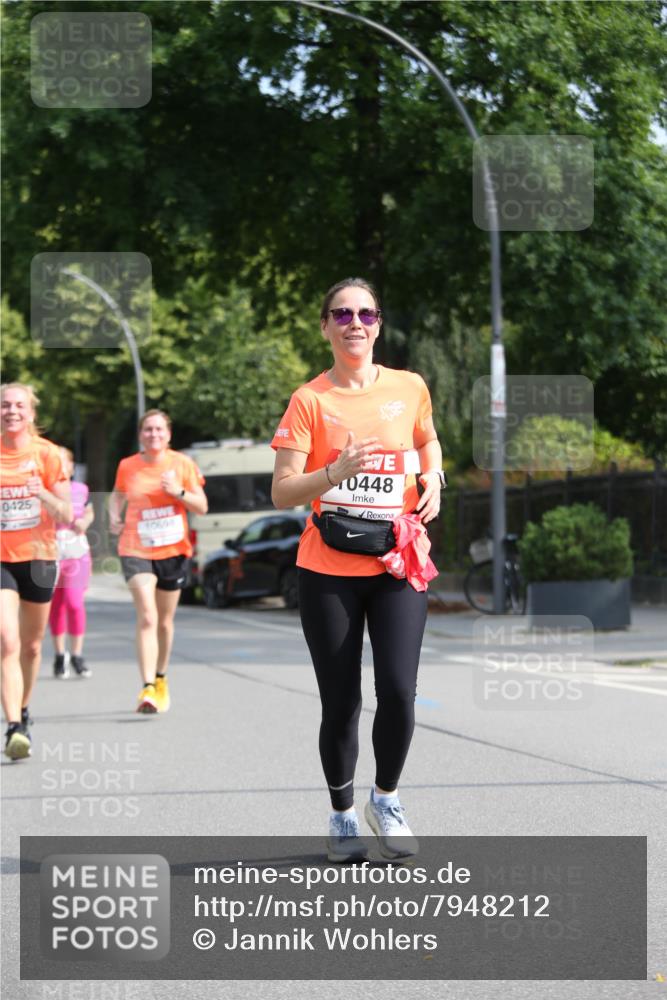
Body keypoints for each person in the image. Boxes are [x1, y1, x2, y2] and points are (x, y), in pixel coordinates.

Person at [272, 278, 444, 862]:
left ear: (378, 324)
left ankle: (386, 799)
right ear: (324, 326)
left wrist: (436, 478)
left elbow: (428, 442)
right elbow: (282, 491)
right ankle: (343, 815)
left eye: (366, 313)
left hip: (397, 559)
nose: (355, 322)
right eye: (341, 313)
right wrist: (335, 472)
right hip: (328, 568)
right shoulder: (309, 400)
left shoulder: (409, 386)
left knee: (398, 691)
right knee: (340, 701)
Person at [109, 409, 207, 714]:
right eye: (148, 430)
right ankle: (147, 686)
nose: (153, 434)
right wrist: (113, 515)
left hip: (173, 551)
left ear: (168, 434)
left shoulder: (182, 464)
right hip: (136, 549)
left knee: (164, 621)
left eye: (159, 429)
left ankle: (161, 676)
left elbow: (201, 506)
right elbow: (117, 495)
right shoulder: (128, 466)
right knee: (148, 616)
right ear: (141, 435)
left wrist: (177, 491)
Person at [1, 383, 71, 759]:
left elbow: (67, 514)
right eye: (4, 405)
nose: (11, 411)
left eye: (18, 405)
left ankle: (24, 709)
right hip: (1, 561)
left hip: (40, 559)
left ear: (31, 412)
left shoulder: (48, 454)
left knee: (30, 646)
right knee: (7, 639)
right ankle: (13, 725)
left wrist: (40, 492)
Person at [49, 448, 94, 679]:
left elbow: (90, 511)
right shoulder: (44, 490)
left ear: (71, 467)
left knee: (74, 603)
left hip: (76, 551)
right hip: (51, 552)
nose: (60, 467)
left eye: (64, 463)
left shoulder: (81, 489)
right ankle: (59, 655)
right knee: (56, 605)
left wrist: (85, 521)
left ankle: (77, 655)